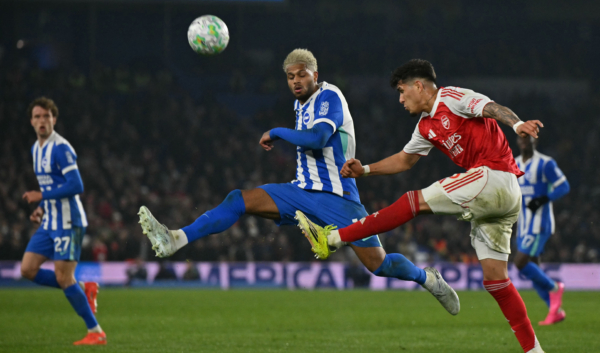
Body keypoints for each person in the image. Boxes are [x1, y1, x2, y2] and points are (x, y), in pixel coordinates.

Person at [295, 59, 555, 353]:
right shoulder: (425, 126)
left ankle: (334, 238)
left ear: (419, 86)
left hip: (493, 177)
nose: (400, 99)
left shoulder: (453, 98)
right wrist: (366, 170)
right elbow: (405, 160)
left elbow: (491, 107)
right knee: (495, 279)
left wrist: (516, 123)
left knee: (413, 201)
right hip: (500, 197)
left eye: (402, 92)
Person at [138, 49, 459, 314]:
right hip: (299, 192)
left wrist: (276, 132)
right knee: (238, 199)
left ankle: (427, 278)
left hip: (337, 199)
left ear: (315, 75)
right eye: (290, 76)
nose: (296, 81)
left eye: (302, 74)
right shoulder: (299, 105)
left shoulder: (330, 97)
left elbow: (319, 138)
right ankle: (176, 239)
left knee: (379, 265)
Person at [21, 97, 106, 346]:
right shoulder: (36, 149)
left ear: (54, 120)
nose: (42, 121)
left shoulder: (61, 148)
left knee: (63, 277)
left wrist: (41, 196)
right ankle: (84, 287)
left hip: (69, 221)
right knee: (27, 269)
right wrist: (41, 208)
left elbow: (76, 185)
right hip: (50, 220)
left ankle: (96, 331)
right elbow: (52, 185)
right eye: (37, 117)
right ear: (31, 122)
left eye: (46, 116)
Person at [514, 136, 570, 325]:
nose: (524, 140)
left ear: (534, 141)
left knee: (520, 262)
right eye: (521, 137)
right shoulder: (514, 164)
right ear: (517, 141)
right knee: (533, 270)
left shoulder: (545, 163)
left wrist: (544, 199)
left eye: (527, 137)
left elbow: (564, 186)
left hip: (539, 223)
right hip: (522, 224)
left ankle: (554, 287)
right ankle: (555, 311)